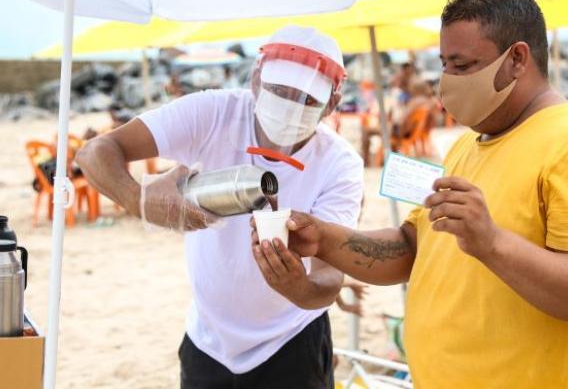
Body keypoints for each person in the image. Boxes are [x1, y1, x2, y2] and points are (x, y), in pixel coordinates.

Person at [252, 0, 568, 388]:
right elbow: (414, 247)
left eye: (463, 65)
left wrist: (492, 242)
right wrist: (324, 239)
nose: (446, 80)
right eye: (443, 64)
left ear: (517, 59)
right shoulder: (469, 144)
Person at [77, 26, 364, 388]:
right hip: (207, 340)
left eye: (306, 99)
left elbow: (328, 277)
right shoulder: (213, 113)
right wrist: (140, 201)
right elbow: (95, 152)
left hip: (291, 340)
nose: (289, 106)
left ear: (332, 105)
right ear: (257, 78)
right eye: (279, 91)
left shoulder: (339, 164)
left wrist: (298, 289)